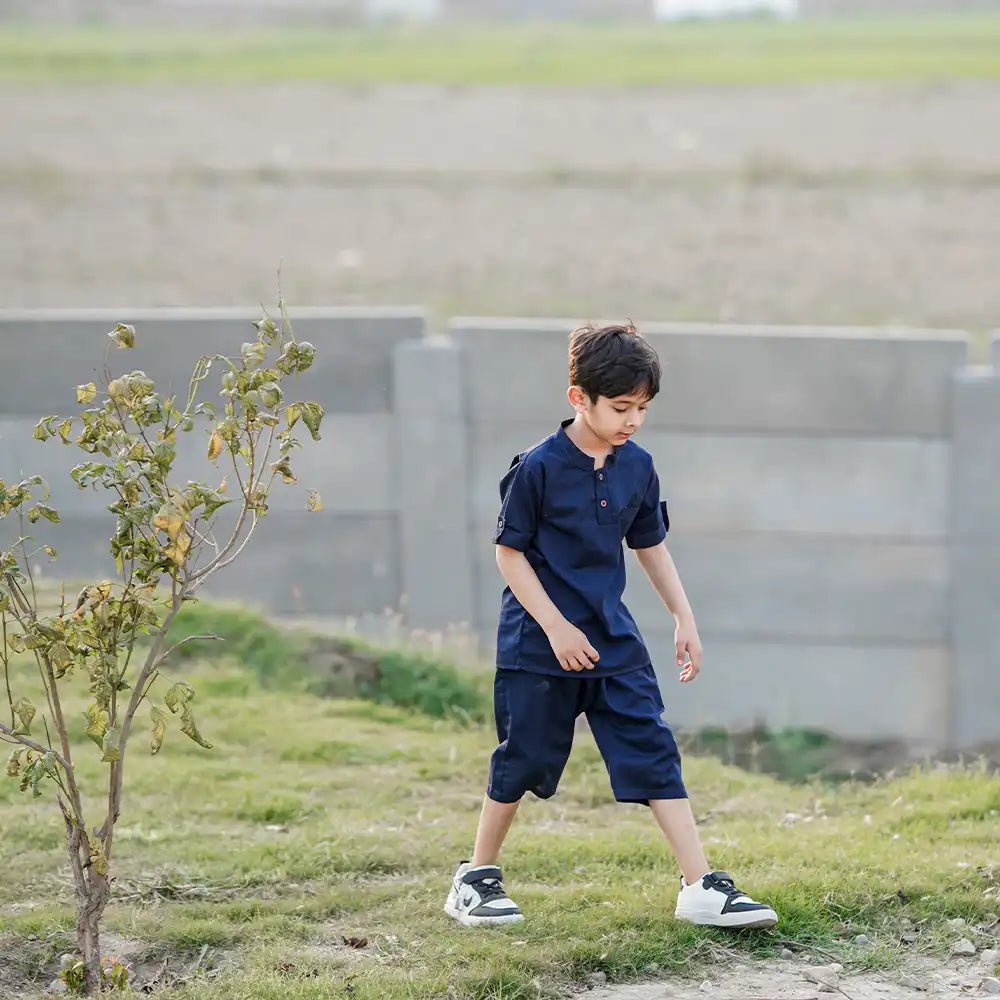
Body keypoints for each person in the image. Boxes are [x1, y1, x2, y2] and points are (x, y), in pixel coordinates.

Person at [444, 322, 778, 930]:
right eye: (622, 407)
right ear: (579, 398)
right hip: (540, 643)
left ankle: (700, 886)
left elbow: (649, 544)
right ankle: (475, 879)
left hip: (612, 639)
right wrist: (555, 628)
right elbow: (508, 553)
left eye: (643, 408)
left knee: (653, 749)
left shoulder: (638, 467)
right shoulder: (537, 468)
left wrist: (684, 616)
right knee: (523, 757)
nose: (633, 421)